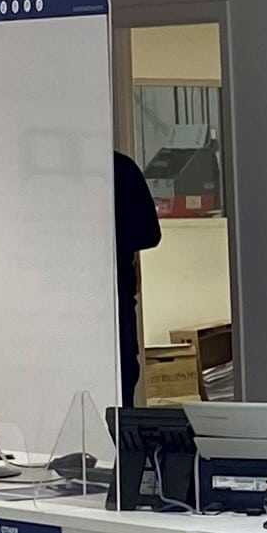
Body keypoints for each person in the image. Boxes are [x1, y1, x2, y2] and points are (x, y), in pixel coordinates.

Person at [114, 147, 160, 407]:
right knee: (123, 377)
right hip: (116, 296)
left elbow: (150, 233)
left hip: (116, 299)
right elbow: (149, 233)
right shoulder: (121, 167)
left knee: (122, 375)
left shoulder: (119, 170)